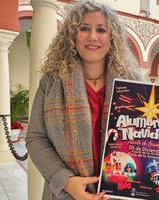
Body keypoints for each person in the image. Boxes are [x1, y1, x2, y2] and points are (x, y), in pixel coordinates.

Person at [25, 1, 142, 199]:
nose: (93, 37)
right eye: (84, 28)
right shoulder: (52, 82)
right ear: (72, 35)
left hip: (121, 193)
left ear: (112, 37)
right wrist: (66, 181)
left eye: (101, 30)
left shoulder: (133, 82)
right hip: (67, 194)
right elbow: (35, 138)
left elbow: (151, 132)